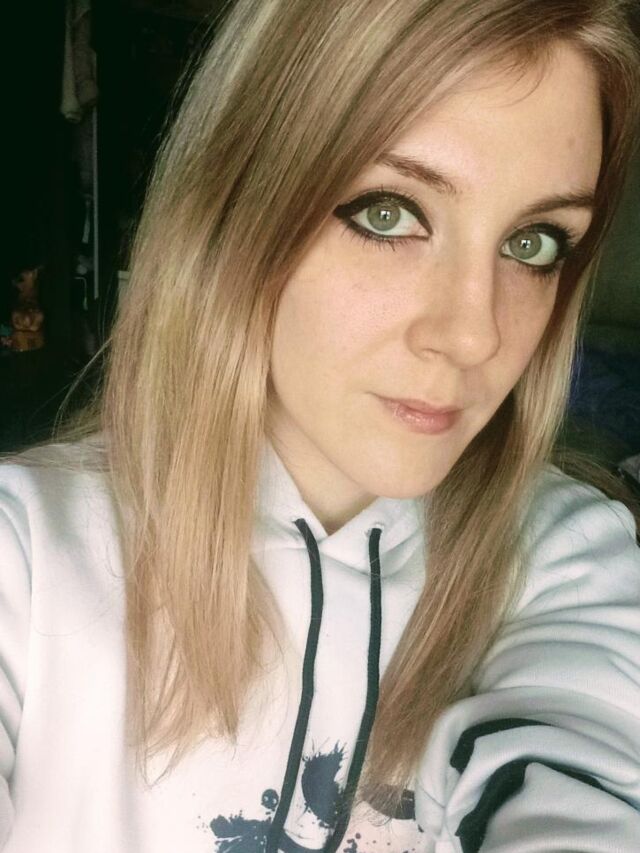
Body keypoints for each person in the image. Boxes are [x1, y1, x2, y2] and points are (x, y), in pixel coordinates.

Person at [1, 0, 640, 850]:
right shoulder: (24, 560)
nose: (474, 334)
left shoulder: (567, 557)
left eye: (534, 243)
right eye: (388, 213)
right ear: (234, 212)